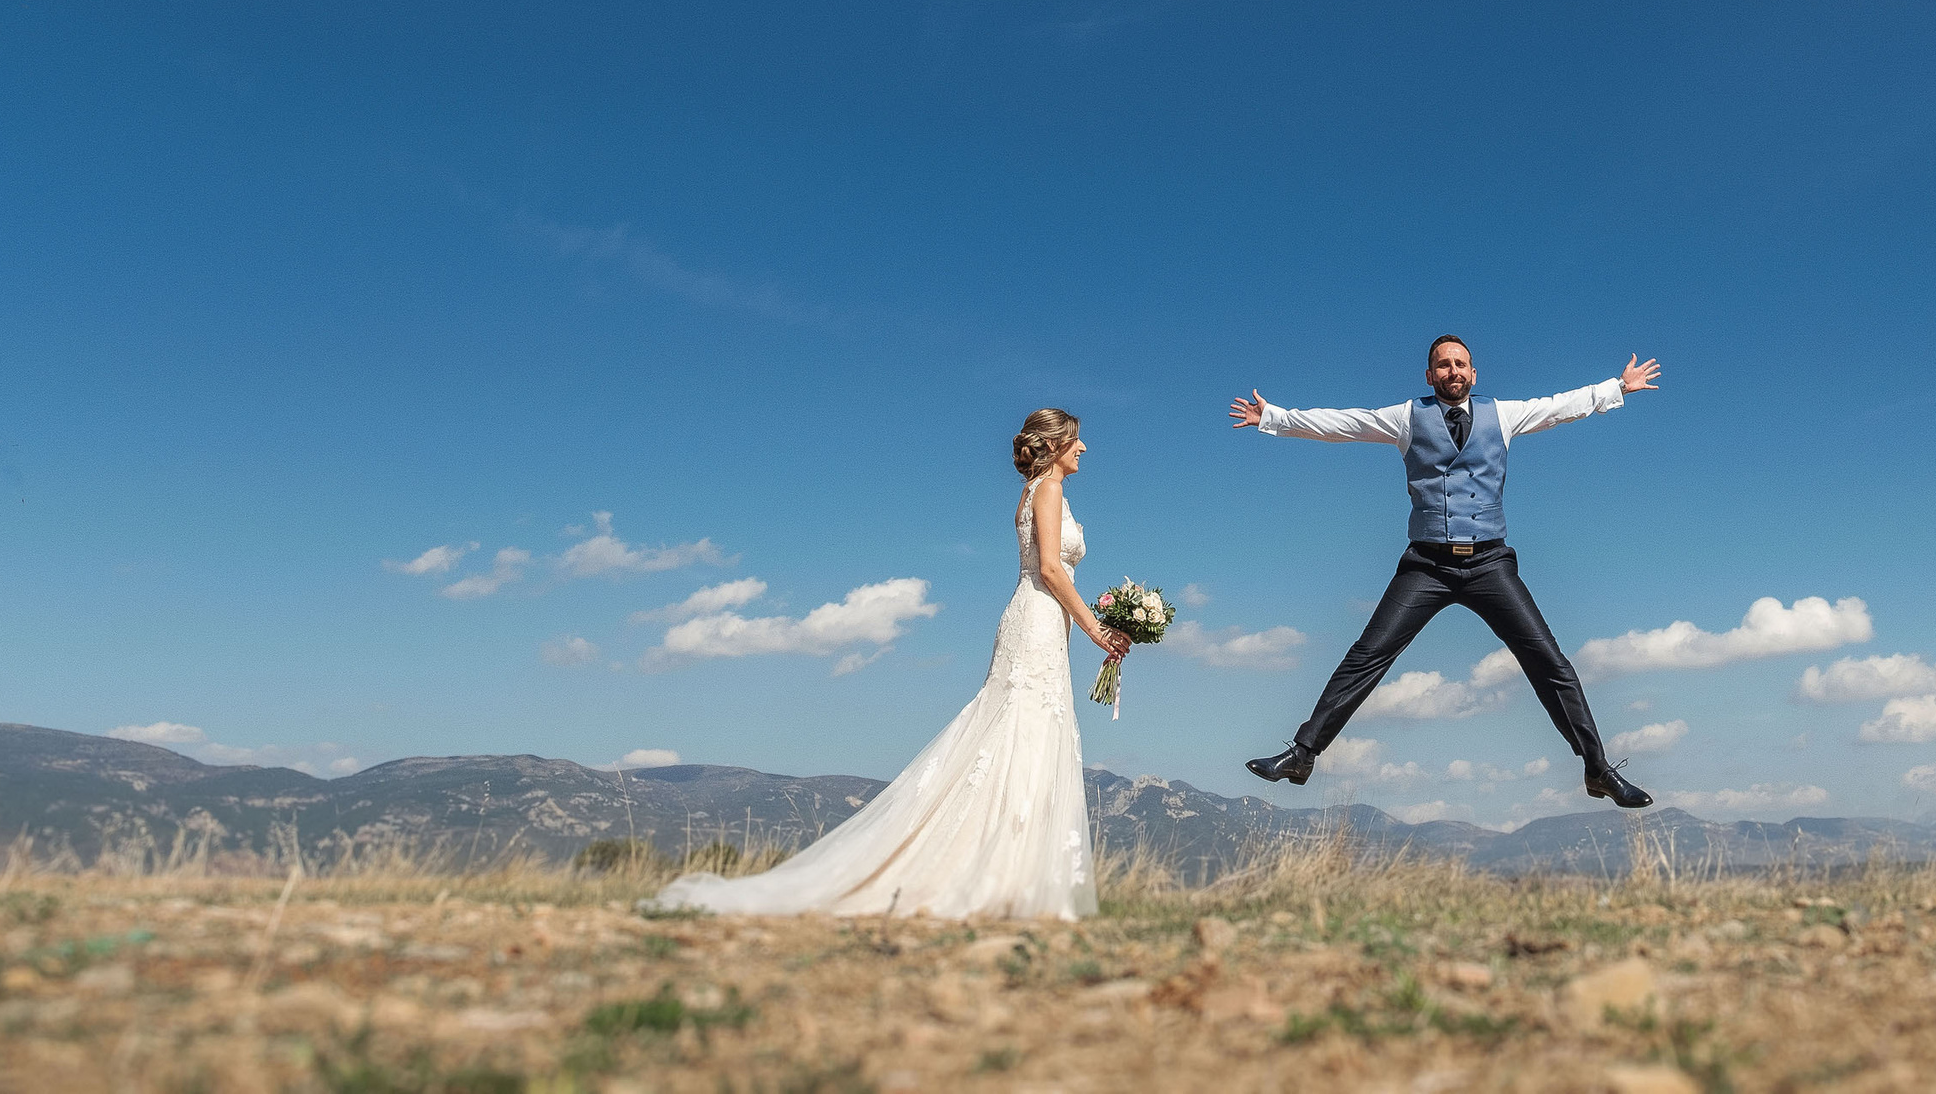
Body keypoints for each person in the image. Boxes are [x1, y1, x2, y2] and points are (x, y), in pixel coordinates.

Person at [646, 409, 1129, 919]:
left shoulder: (1035, 494)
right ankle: (992, 876)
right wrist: (1098, 630)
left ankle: (1012, 874)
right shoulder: (1048, 491)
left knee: (1023, 732)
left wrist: (1100, 618)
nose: (1084, 449)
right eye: (1076, 440)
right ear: (1053, 445)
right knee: (1021, 728)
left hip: (1044, 622)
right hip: (1037, 619)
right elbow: (1051, 569)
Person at [1230, 336, 1661, 808]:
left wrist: (1617, 387)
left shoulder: (1504, 414)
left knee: (1550, 663)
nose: (1453, 371)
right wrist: (1273, 417)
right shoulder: (1405, 417)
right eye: (1442, 365)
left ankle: (1597, 769)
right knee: (1367, 655)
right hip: (1427, 565)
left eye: (1460, 364)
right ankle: (1302, 754)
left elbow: (1559, 407)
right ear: (1430, 375)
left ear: (1473, 374)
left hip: (1489, 562)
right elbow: (1345, 424)